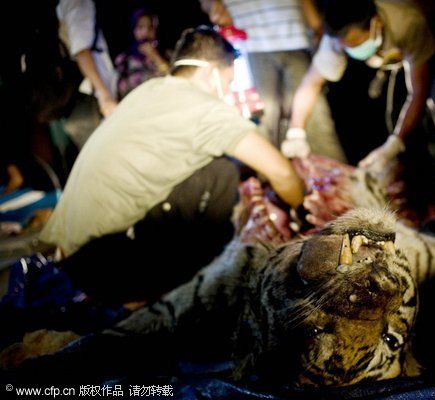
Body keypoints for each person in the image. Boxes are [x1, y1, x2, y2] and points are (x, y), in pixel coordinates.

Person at [40, 27, 305, 303]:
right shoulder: (205, 108)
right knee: (220, 173)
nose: (226, 92)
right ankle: (192, 284)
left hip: (72, 257)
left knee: (203, 167)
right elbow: (281, 172)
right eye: (228, 82)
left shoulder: (148, 90)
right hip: (105, 267)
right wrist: (302, 212)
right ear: (210, 72)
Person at [287, 0, 435, 215]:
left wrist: (395, 143)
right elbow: (310, 84)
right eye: (347, 47)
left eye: (356, 44)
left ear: (376, 23)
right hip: (395, 57)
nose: (352, 50)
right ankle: (421, 202)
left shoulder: (408, 21)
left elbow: (419, 91)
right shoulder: (335, 38)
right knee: (397, 120)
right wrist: (296, 131)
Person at [200, 0, 346, 162]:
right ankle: (271, 174)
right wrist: (215, 8)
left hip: (293, 36)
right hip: (249, 43)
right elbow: (209, 5)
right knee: (263, 120)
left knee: (313, 118)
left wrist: (317, 26)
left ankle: (335, 173)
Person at [56, 0, 119, 148]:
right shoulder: (77, 2)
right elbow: (81, 51)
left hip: (90, 91)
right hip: (95, 92)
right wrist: (104, 96)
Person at [115, 8, 170, 100]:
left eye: (150, 27)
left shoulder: (167, 55)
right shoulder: (123, 60)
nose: (146, 32)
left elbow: (174, 81)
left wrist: (156, 57)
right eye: (140, 27)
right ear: (133, 30)